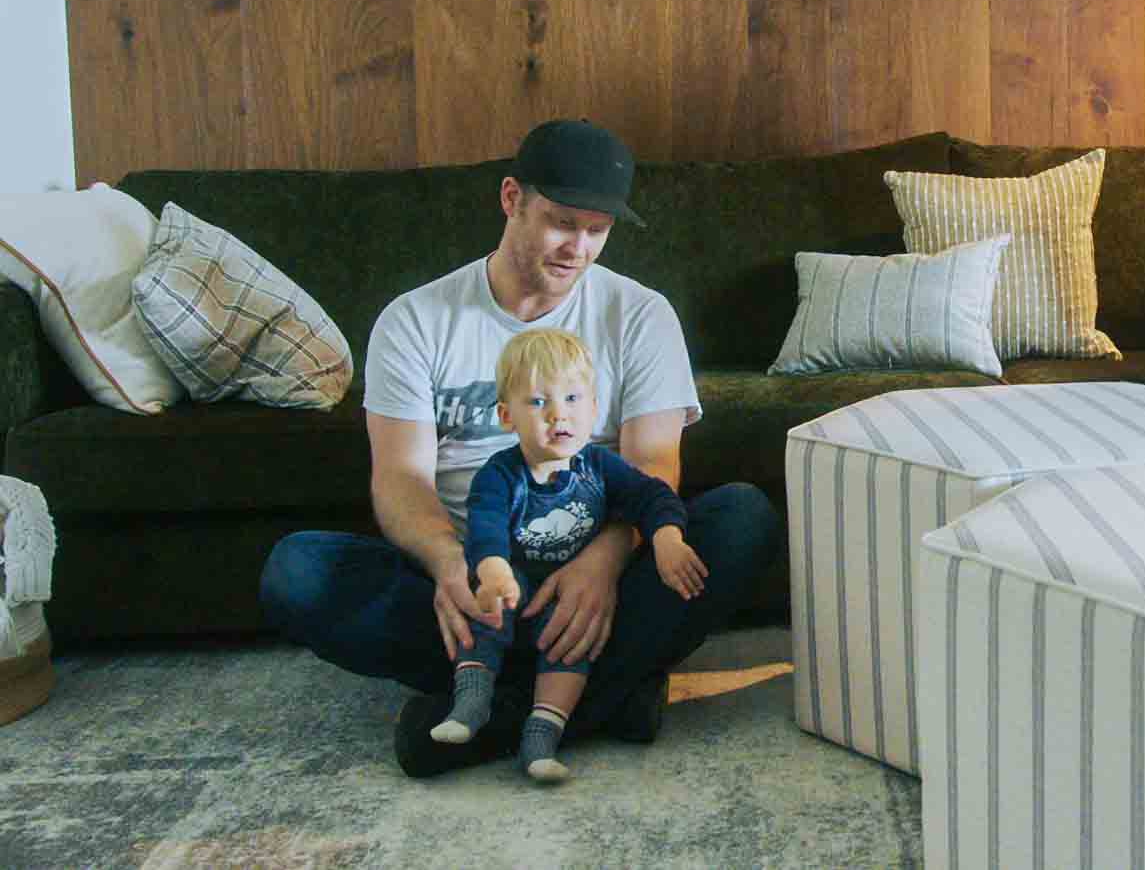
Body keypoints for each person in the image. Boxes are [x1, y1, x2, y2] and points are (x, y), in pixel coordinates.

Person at [259, 118, 782, 779]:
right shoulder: (417, 319)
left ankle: (495, 716)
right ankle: (605, 696)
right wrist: (452, 565)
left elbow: (654, 468)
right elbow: (399, 478)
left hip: (601, 583)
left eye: (598, 230)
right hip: (472, 586)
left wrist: (603, 560)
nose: (580, 248)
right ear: (511, 199)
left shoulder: (641, 314)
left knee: (743, 519)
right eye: (563, 222)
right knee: (296, 571)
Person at [430, 327, 701, 784]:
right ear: (505, 415)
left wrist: (667, 538)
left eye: (574, 399)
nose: (559, 414)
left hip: (573, 597)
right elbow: (485, 528)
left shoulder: (599, 466)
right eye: (538, 402)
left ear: (594, 409)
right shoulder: (501, 474)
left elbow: (651, 496)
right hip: (515, 584)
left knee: (570, 648)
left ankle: (541, 740)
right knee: (485, 612)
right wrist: (494, 572)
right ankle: (472, 703)